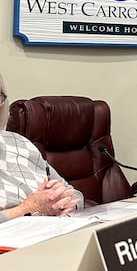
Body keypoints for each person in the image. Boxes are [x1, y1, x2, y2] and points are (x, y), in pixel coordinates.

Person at [0, 72, 83, 223]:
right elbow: (34, 208)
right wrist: (26, 210)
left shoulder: (19, 143)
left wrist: (63, 202)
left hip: (58, 233)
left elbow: (75, 194)